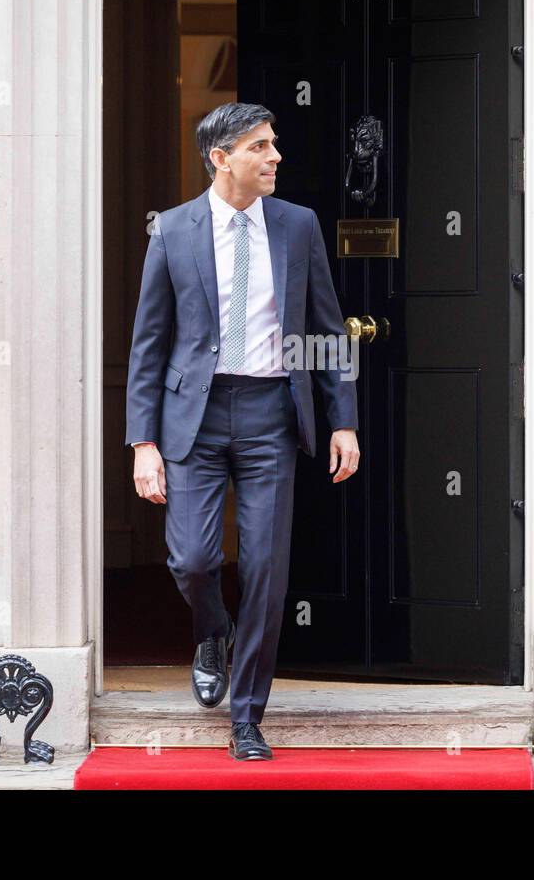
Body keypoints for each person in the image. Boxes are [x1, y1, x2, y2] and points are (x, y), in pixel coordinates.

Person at [124, 102, 360, 760]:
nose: (275, 156)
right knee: (194, 559)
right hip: (191, 420)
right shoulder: (173, 231)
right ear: (221, 157)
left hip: (269, 417)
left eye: (274, 144)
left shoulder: (297, 226)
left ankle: (248, 716)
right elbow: (149, 344)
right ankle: (212, 631)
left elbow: (327, 329)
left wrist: (342, 419)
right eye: (260, 146)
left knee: (265, 568)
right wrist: (144, 442)